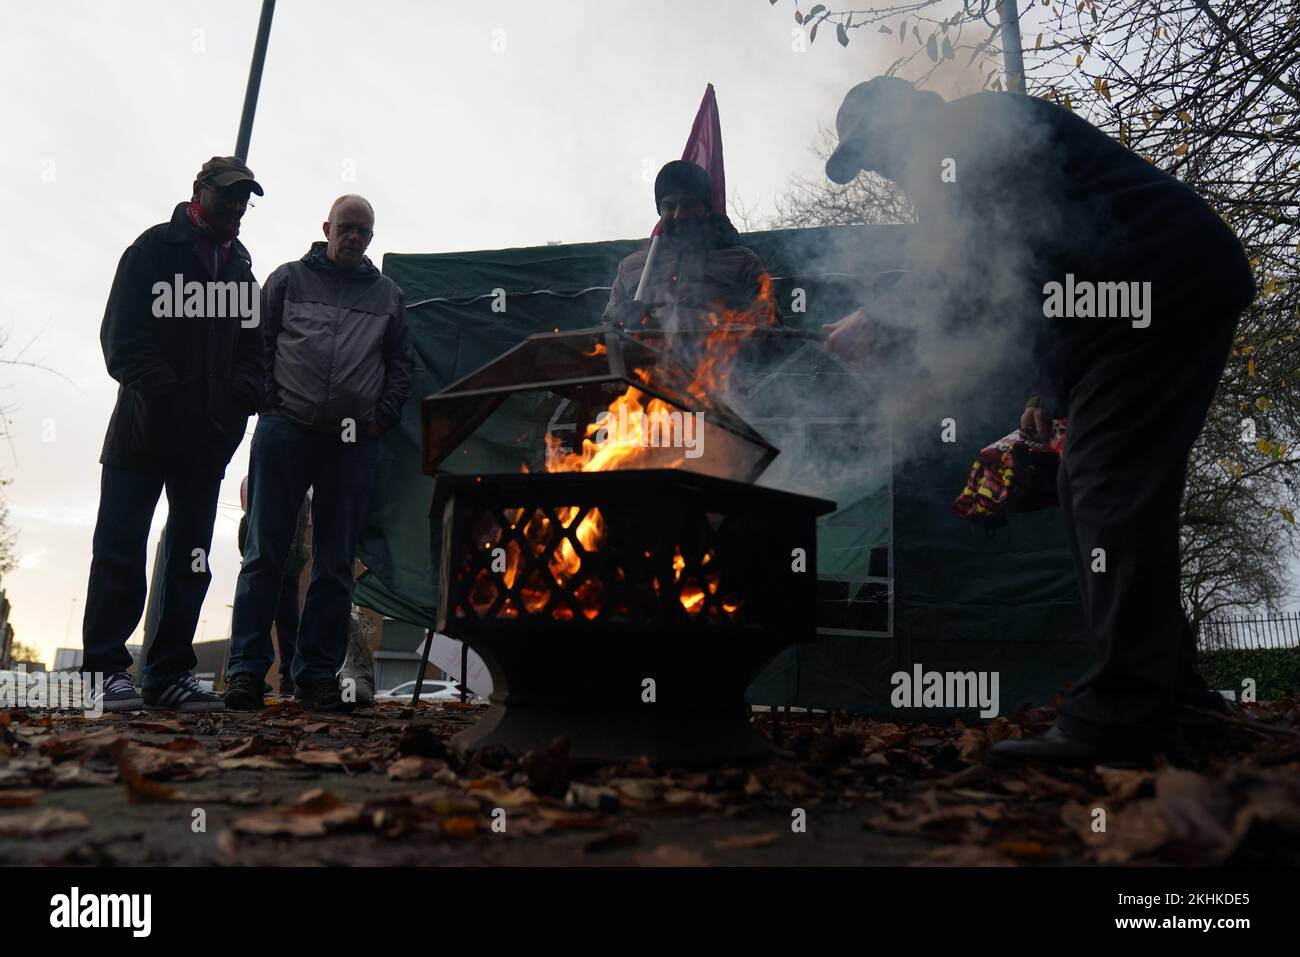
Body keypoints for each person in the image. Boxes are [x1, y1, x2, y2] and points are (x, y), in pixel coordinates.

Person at [823, 77, 1255, 765]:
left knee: (1104, 484)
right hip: (1149, 295)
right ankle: (1171, 696)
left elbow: (979, 265)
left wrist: (883, 319)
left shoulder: (975, 131)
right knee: (1108, 490)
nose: (882, 168)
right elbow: (1040, 272)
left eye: (877, 150)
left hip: (1160, 287)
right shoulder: (970, 150)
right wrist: (1046, 393)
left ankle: (1126, 718)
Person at [84, 156, 266, 712]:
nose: (235, 207)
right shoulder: (153, 250)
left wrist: (235, 407)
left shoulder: (240, 268)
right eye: (226, 196)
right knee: (121, 548)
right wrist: (172, 399)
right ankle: (104, 671)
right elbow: (122, 339)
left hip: (205, 444)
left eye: (244, 199)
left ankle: (167, 674)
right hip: (141, 436)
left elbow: (254, 353)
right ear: (198, 191)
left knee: (191, 558)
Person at [223, 195, 412, 713]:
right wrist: (269, 403)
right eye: (346, 228)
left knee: (334, 564)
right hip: (286, 429)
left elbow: (401, 366)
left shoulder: (387, 296)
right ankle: (245, 673)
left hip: (353, 443)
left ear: (371, 238)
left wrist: (382, 417)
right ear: (327, 228)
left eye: (363, 232)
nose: (353, 238)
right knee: (265, 553)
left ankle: (315, 676)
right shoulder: (286, 280)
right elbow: (256, 341)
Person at [603, 160, 779, 339]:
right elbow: (606, 337)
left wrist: (706, 326)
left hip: (718, 364)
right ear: (659, 210)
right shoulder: (631, 267)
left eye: (687, 205)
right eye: (669, 206)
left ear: (706, 209)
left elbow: (771, 329)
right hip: (644, 365)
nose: (678, 215)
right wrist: (619, 320)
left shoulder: (741, 262)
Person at [237, 477, 310, 695]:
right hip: (278, 566)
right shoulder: (298, 495)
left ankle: (279, 675)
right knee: (277, 622)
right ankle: (257, 673)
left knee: (285, 622)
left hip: (287, 568)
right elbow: (248, 523)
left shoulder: (302, 497)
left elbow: (246, 523)